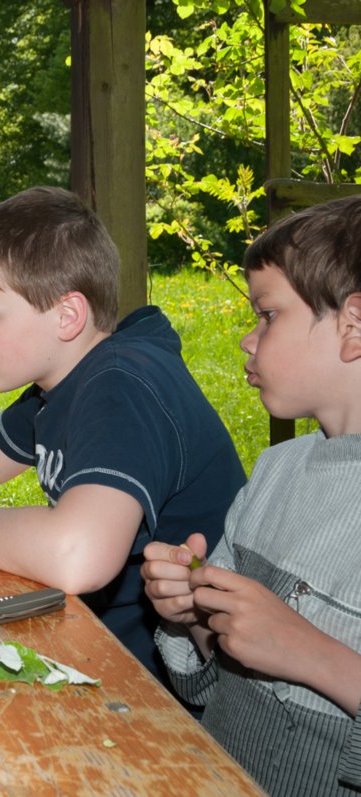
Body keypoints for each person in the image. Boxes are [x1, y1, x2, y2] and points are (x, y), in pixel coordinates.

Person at [0, 186, 246, 678]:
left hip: (163, 683)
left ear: (67, 316)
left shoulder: (122, 386)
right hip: (97, 645)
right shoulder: (66, 379)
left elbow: (76, 555)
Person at [142, 196, 361, 796]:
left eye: (267, 315)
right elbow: (213, 689)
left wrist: (310, 654)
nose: (246, 339)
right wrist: (194, 615)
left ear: (353, 326)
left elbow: (290, 652)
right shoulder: (275, 471)